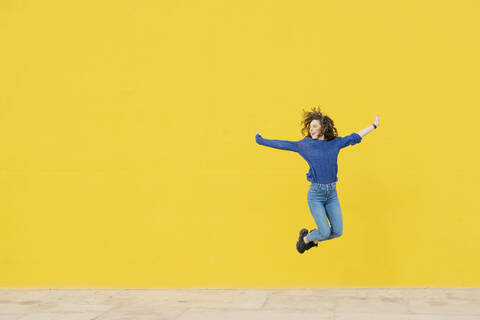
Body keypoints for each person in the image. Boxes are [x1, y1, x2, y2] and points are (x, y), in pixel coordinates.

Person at [255, 107, 379, 254]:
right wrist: (261, 140)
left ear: (323, 127)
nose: (311, 130)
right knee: (325, 232)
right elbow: (284, 144)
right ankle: (306, 239)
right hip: (316, 195)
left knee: (337, 232)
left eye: (314, 126)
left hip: (332, 194)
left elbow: (355, 137)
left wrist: (374, 125)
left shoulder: (335, 143)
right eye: (310, 127)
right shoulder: (305, 145)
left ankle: (311, 238)